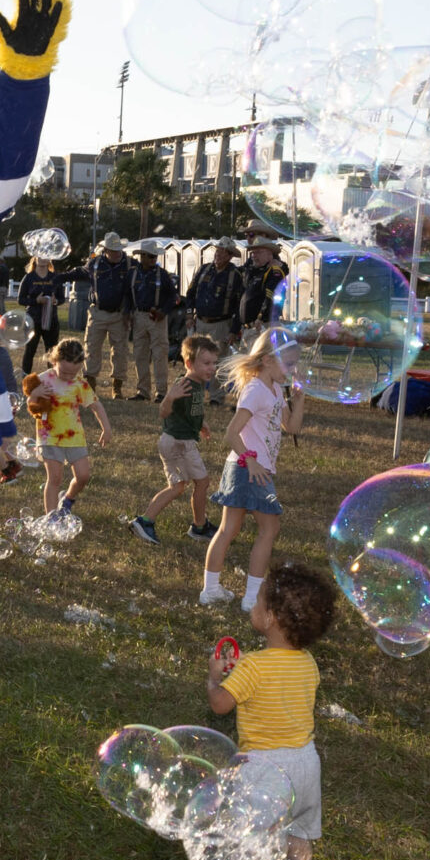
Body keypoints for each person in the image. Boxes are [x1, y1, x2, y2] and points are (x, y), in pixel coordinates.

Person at [202, 560, 337, 860]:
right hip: (305, 762)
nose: (253, 604)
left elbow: (220, 705)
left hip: (263, 768)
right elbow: (280, 683)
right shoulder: (308, 663)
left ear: (272, 617)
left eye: (259, 599)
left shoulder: (252, 668)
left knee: (248, 839)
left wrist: (215, 678)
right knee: (298, 834)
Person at [201, 338, 305, 610]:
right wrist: (251, 462)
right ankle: (251, 598)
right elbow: (231, 433)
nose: (292, 370)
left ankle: (211, 590)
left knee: (229, 529)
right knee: (269, 529)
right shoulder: (256, 390)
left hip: (246, 468)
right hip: (248, 469)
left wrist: (299, 400)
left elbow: (292, 427)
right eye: (288, 363)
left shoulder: (275, 389)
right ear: (268, 360)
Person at [135, 334, 222, 544]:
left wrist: (201, 423)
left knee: (181, 486)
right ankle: (151, 522)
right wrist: (169, 397)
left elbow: (189, 411)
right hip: (177, 443)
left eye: (214, 363)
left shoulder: (198, 383)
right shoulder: (184, 385)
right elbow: (164, 412)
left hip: (179, 441)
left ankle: (196, 525)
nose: (212, 368)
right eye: (206, 363)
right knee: (199, 483)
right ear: (189, 364)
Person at [22, 338, 109, 517]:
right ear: (54, 361)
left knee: (83, 476)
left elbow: (96, 406)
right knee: (54, 479)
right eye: (64, 372)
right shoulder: (42, 380)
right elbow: (31, 406)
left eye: (73, 373)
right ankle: (51, 518)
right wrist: (34, 395)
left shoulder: (79, 383)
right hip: (49, 437)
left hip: (75, 437)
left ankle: (68, 499)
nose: (69, 377)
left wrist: (106, 428)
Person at [127, 244, 182, 402]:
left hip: (157, 318)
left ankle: (161, 392)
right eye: (150, 256)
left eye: (155, 256)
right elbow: (127, 294)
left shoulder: (162, 274)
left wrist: (163, 311)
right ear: (142, 256)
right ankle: (143, 391)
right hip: (139, 316)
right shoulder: (133, 273)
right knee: (140, 355)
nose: (153, 259)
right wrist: (128, 313)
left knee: (160, 355)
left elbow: (173, 296)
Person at [83, 233, 134, 395]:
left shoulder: (130, 264)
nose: (117, 253)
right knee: (92, 347)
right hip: (97, 312)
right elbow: (80, 272)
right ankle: (90, 384)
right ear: (105, 250)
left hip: (119, 314)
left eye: (119, 249)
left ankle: (117, 387)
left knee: (120, 351)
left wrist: (128, 312)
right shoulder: (94, 263)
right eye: (113, 250)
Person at [14, 252, 78, 375]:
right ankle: (26, 378)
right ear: (35, 259)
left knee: (52, 352)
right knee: (30, 350)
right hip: (33, 320)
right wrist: (36, 301)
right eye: (40, 256)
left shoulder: (55, 278)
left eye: (46, 257)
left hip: (51, 320)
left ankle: (52, 378)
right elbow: (20, 300)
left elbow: (61, 299)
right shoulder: (29, 278)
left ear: (49, 260)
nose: (43, 259)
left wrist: (55, 301)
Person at [188, 242, 241, 357]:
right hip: (200, 323)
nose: (218, 254)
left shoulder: (235, 275)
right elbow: (190, 293)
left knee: (218, 361)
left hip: (220, 326)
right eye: (217, 251)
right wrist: (189, 315)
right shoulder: (204, 269)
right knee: (199, 359)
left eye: (223, 252)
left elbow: (239, 306)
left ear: (230, 256)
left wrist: (234, 331)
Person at [235, 239, 287, 338]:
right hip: (248, 329)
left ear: (269, 255)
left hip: (261, 327)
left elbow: (270, 297)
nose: (254, 256)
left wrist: (260, 317)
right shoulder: (254, 271)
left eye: (258, 252)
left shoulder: (273, 272)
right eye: (253, 253)